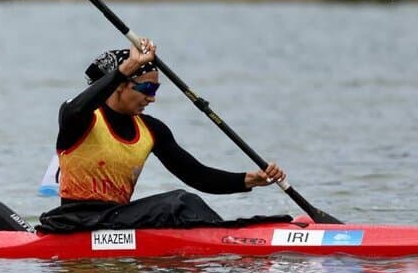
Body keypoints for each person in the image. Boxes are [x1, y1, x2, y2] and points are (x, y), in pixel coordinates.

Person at [38, 39, 288, 232]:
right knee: (177, 202)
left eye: (156, 88)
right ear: (119, 85)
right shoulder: (81, 119)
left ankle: (228, 235)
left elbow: (196, 175)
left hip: (116, 221)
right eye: (147, 88)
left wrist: (249, 180)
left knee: (182, 201)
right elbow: (76, 107)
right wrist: (123, 70)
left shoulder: (152, 130)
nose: (152, 97)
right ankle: (229, 240)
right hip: (74, 223)